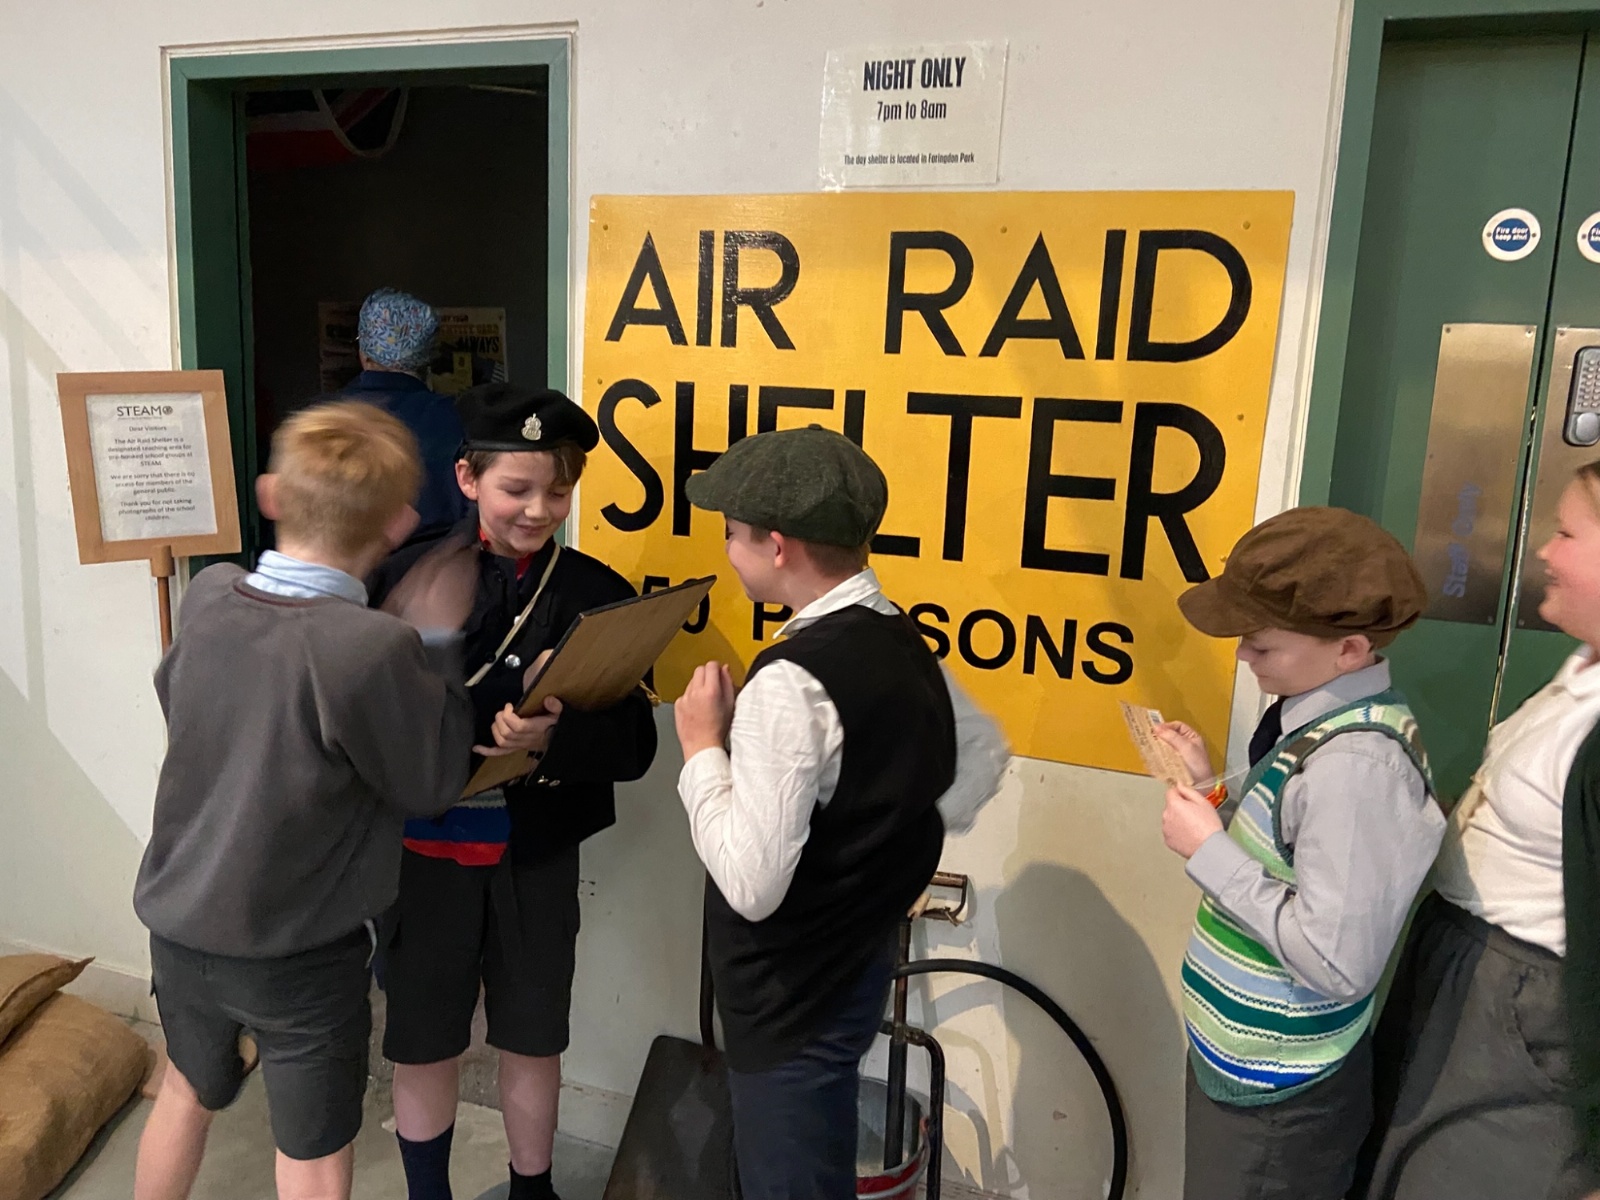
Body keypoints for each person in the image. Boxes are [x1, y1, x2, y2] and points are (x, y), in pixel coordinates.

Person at [131, 402, 478, 1200]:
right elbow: (429, 783)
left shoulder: (209, 594)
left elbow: (192, 702)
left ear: (271, 495)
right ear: (399, 524)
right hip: (298, 947)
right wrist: (434, 642)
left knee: (184, 1089)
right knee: (314, 1148)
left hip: (179, 923)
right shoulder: (375, 646)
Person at [671, 425, 1011, 1200]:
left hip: (787, 994)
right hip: (856, 962)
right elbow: (979, 759)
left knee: (789, 1176)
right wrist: (874, 851)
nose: (728, 551)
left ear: (777, 546)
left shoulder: (789, 681)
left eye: (732, 535)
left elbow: (753, 885)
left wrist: (701, 749)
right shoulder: (897, 634)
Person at [367, 383, 658, 1200]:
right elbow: (365, 726)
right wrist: (477, 722)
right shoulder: (404, 575)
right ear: (468, 478)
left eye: (557, 492)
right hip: (423, 851)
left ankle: (534, 1191)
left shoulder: (594, 591)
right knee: (424, 1040)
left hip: (536, 853)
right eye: (516, 488)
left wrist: (554, 738)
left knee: (534, 1035)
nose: (538, 509)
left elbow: (636, 746)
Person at [1152, 506, 1442, 1200]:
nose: (1241, 657)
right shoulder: (1312, 722)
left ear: (1350, 649)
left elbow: (1337, 962)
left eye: (1261, 645)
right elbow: (1288, 849)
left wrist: (1210, 853)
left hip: (1281, 1093)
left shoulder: (1355, 768)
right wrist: (1211, 791)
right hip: (1246, 1063)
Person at [1353, 461, 1600, 1200]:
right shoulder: (1581, 672)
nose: (1544, 551)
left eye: (1568, 534)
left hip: (1525, 1006)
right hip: (1463, 968)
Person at [329, 287, 466, 536]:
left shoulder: (320, 420)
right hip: (437, 558)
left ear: (364, 355)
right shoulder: (458, 418)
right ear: (427, 359)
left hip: (345, 558)